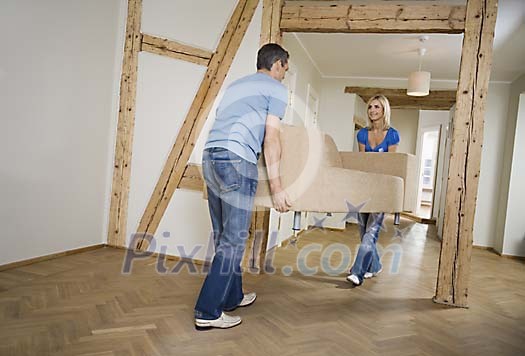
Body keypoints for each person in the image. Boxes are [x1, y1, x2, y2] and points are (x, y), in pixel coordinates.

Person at [194, 43, 292, 329]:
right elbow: (270, 139)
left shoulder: (237, 85)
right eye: (285, 69)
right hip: (236, 160)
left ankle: (232, 296)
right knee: (234, 240)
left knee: (224, 235)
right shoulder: (275, 88)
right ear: (277, 64)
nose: (285, 75)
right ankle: (207, 311)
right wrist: (277, 187)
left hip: (210, 157)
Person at [346, 94, 400, 286]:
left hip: (382, 188)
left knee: (371, 231)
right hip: (365, 187)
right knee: (364, 231)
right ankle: (375, 266)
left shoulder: (393, 135)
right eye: (370, 107)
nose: (372, 110)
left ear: (384, 110)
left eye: (377, 107)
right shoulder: (362, 134)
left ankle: (358, 271)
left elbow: (390, 165)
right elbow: (363, 163)